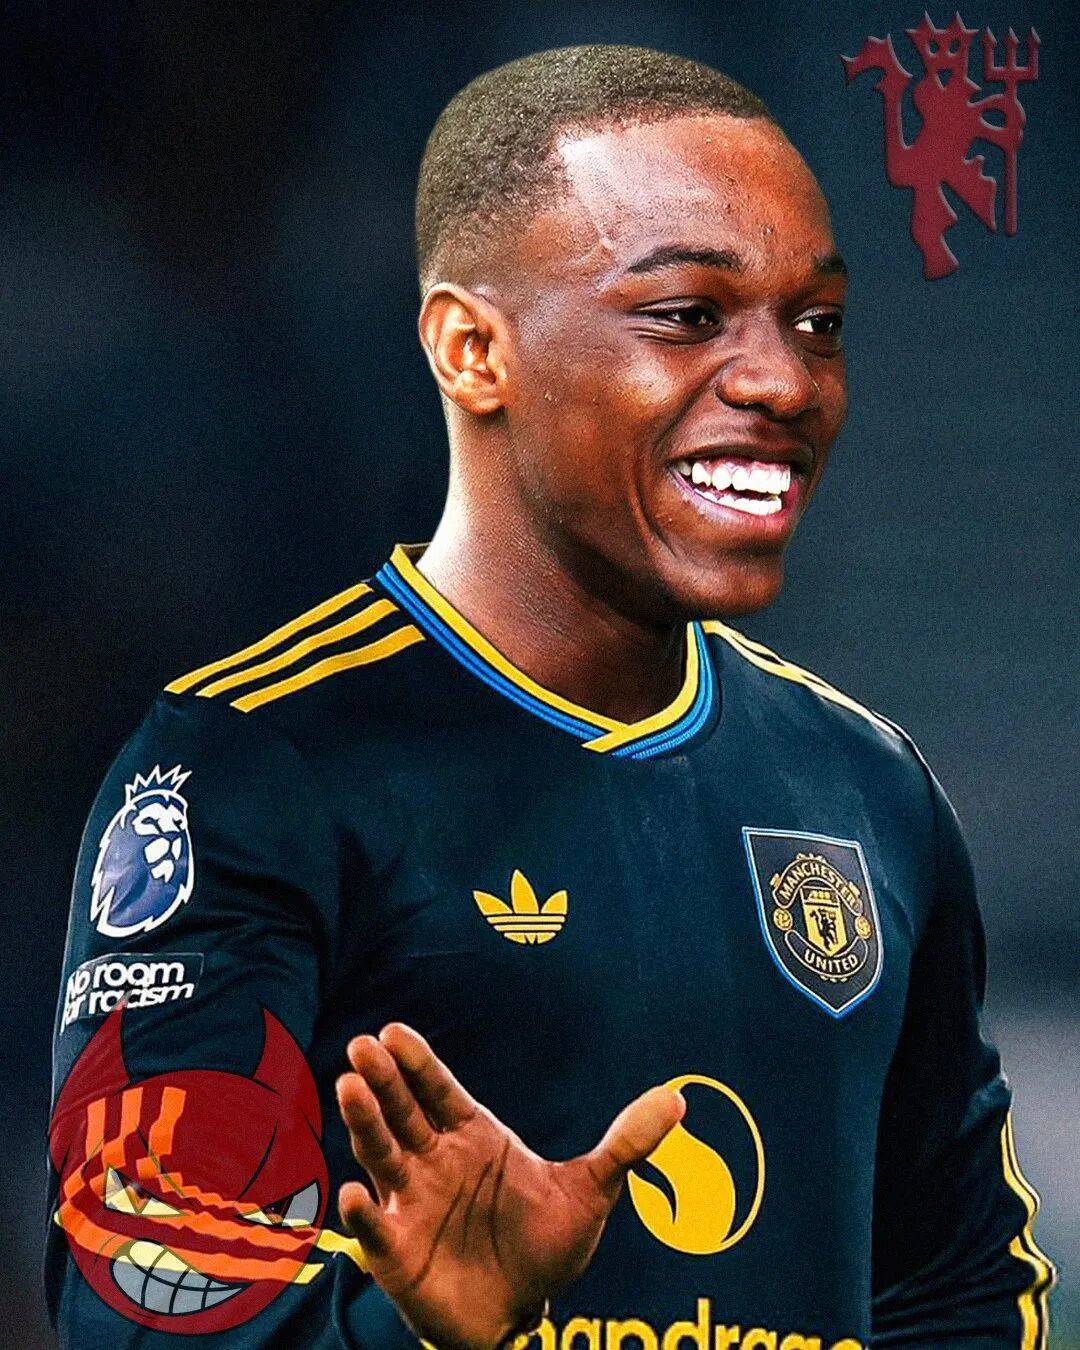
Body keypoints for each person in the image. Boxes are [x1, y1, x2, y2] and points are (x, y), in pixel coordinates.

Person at [47, 44, 1055, 1350]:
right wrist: (412, 1327)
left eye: (816, 321)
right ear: (474, 350)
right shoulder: (248, 770)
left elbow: (953, 1291)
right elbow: (137, 1278)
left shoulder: (869, 788)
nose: (785, 382)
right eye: (687, 314)